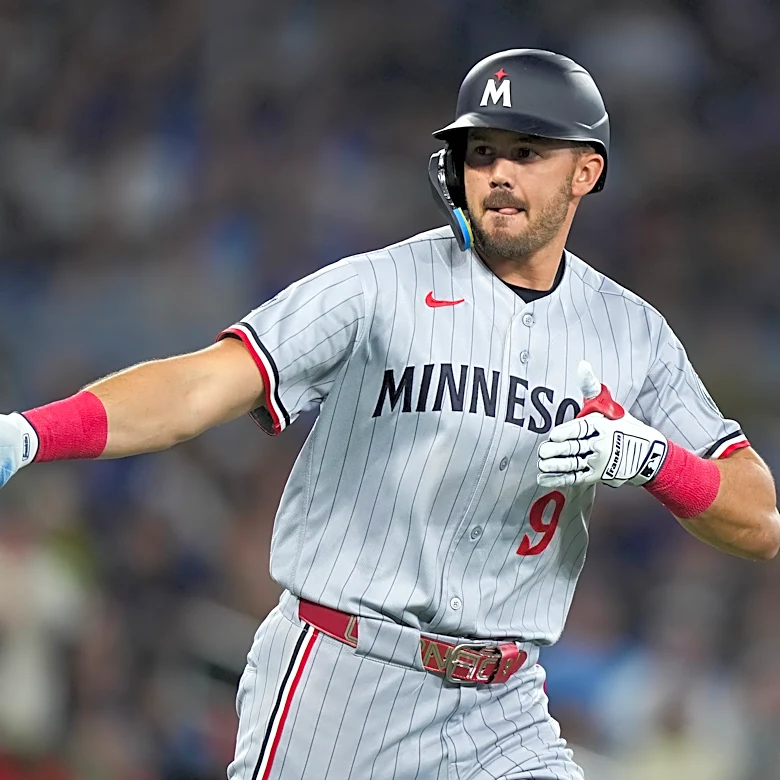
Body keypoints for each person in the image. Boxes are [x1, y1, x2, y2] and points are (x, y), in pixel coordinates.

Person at [0, 49, 777, 780]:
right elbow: (198, 387)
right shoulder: (377, 288)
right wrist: (33, 432)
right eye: (481, 151)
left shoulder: (631, 333)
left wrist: (652, 461)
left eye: (527, 151)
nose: (499, 172)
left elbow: (760, 518)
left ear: (586, 171)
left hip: (502, 709)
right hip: (341, 681)